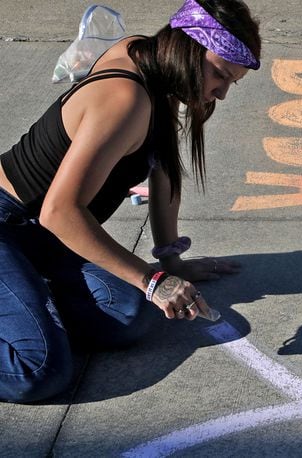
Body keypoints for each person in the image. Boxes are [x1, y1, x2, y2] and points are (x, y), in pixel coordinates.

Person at [0, 0, 261, 403]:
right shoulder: (126, 97)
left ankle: (26, 298)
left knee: (126, 316)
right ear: (188, 50)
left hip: (42, 240)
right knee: (38, 371)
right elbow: (59, 211)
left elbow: (163, 171)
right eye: (219, 75)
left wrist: (171, 263)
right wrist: (152, 279)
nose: (221, 93)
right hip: (10, 225)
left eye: (231, 83)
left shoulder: (154, 63)